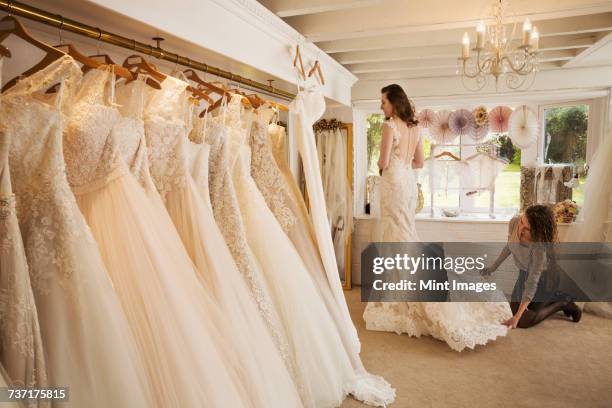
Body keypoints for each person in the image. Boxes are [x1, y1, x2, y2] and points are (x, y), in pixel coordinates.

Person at [363, 84, 512, 352]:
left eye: (383, 101)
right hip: (407, 183)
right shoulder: (416, 127)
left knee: (395, 238)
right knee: (406, 237)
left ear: (394, 103)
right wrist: (403, 162)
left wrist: (383, 166)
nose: (381, 106)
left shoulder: (390, 126)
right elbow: (419, 162)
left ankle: (400, 298)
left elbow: (384, 162)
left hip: (394, 182)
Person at [482, 204, 582, 328]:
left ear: (537, 232)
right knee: (511, 311)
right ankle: (554, 297)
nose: (520, 229)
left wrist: (518, 316)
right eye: (522, 222)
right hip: (523, 273)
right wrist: (493, 268)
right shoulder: (515, 222)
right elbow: (509, 246)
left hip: (544, 279)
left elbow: (532, 282)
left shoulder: (539, 248)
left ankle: (562, 303)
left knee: (523, 321)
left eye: (527, 228)